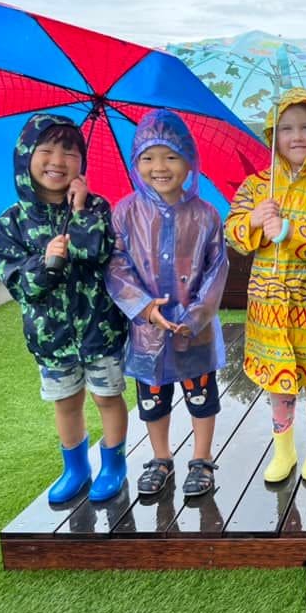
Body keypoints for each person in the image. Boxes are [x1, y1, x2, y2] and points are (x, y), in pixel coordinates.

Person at [0, 114, 129, 504]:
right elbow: (20, 284)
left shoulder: (97, 207)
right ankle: (75, 467)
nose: (58, 159)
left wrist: (81, 209)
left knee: (108, 397)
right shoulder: (9, 224)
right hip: (51, 340)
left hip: (100, 331)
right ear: (26, 157)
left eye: (70, 151)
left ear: (81, 162)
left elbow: (99, 251)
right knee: (66, 402)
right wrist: (45, 261)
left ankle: (114, 464)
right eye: (47, 149)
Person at [225, 89, 306, 483]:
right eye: (286, 129)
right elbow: (232, 232)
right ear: (272, 135)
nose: (296, 136)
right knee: (278, 381)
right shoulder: (255, 187)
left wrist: (290, 230)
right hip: (268, 305)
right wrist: (252, 221)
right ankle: (283, 449)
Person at [106, 110, 229, 496]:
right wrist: (143, 306)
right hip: (146, 330)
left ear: (189, 160)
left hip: (195, 331)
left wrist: (195, 316)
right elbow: (116, 265)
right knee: (152, 397)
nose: (159, 167)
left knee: (201, 394)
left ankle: (202, 458)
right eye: (148, 157)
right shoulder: (124, 212)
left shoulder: (206, 215)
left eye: (171, 156)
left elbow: (216, 269)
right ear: (135, 162)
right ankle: (161, 457)